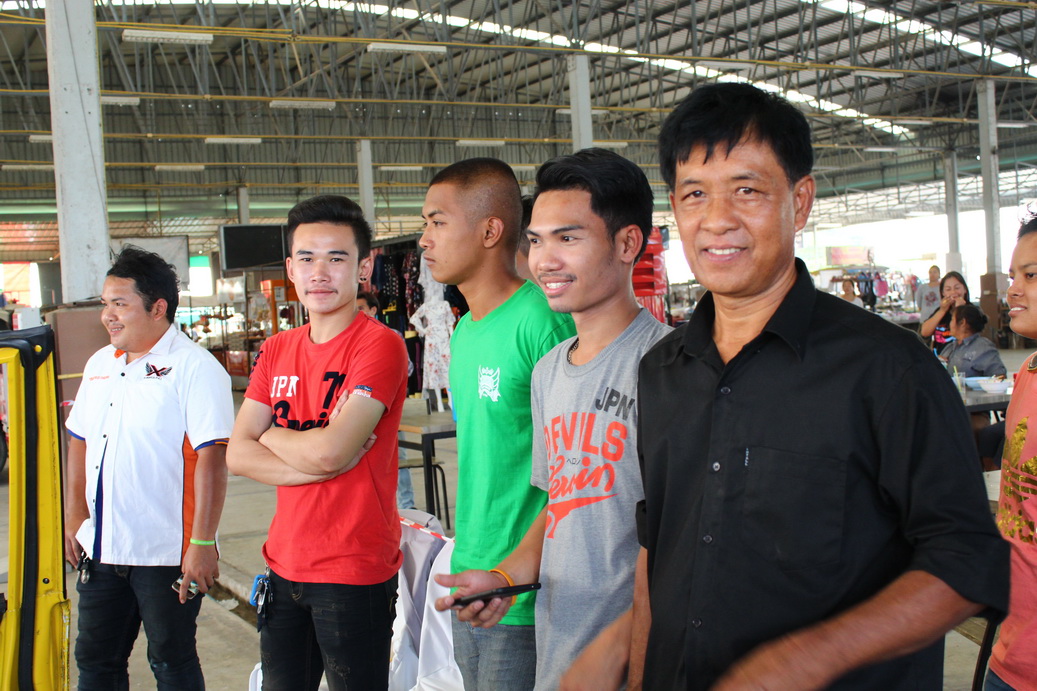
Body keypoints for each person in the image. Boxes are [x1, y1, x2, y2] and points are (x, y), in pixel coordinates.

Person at [631, 81, 1009, 690]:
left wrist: (808, 660)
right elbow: (660, 549)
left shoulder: (889, 371)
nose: (717, 219)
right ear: (675, 208)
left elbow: (967, 562)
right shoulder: (661, 372)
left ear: (800, 201)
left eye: (747, 190)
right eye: (695, 194)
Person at [433, 149, 670, 690]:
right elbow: (562, 503)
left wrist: (632, 660)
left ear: (627, 244)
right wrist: (504, 577)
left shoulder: (668, 366)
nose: (545, 260)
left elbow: (681, 543)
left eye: (568, 238)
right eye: (537, 241)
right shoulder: (548, 373)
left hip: (632, 658)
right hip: (558, 645)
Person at [226, 195, 408, 691]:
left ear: (364, 267)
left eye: (336, 258)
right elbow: (238, 454)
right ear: (290, 268)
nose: (319, 273)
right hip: (282, 564)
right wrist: (321, 456)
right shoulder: (276, 349)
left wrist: (268, 433)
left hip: (353, 569)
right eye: (306, 258)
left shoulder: (380, 345)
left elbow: (331, 451)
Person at [419, 158, 575, 690]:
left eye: (438, 222)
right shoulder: (465, 331)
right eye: (425, 223)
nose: (425, 239)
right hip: (469, 573)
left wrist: (512, 571)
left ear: (490, 231)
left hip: (522, 589)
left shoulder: (542, 322)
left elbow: (577, 472)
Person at [64, 245, 234, 689]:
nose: (108, 315)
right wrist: (75, 516)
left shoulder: (195, 368)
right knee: (95, 661)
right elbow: (79, 439)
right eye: (106, 303)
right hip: (102, 549)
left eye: (120, 304)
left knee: (170, 661)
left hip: (167, 552)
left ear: (158, 308)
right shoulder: (99, 365)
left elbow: (212, 459)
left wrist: (202, 543)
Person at [986, 216, 1037, 690]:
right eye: (1012, 276)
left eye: (1031, 275)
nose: (1013, 290)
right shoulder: (1030, 372)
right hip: (1012, 648)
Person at [357, 289, 417, 510]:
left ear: (373, 310)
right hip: (356, 411)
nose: (357, 313)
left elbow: (407, 368)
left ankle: (406, 507)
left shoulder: (390, 336)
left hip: (387, 408)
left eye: (361, 308)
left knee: (398, 458)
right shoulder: (349, 337)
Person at [941, 302, 1007, 378]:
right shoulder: (950, 347)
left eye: (952, 320)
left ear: (962, 322)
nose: (949, 324)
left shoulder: (983, 347)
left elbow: (1000, 376)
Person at [920, 271, 971, 351]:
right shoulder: (941, 310)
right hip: (940, 357)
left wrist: (960, 310)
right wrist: (942, 310)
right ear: (943, 293)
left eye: (957, 288)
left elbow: (966, 334)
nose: (953, 292)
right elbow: (924, 332)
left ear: (965, 289)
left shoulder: (973, 310)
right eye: (948, 289)